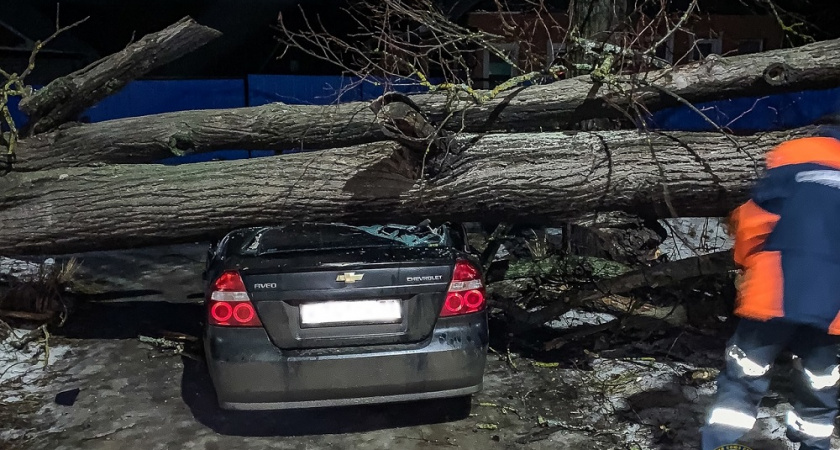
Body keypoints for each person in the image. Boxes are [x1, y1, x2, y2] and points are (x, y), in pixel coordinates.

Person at [701, 117, 840, 450]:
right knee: (819, 390)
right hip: (835, 308)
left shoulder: (795, 153)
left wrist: (747, 264)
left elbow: (756, 220)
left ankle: (721, 443)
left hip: (774, 291)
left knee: (744, 377)